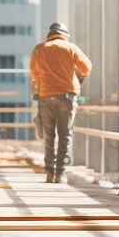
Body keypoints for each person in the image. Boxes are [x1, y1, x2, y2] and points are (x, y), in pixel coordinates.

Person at [29, 22, 92, 184]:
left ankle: (49, 173)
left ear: (49, 35)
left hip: (45, 96)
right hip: (67, 96)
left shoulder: (40, 48)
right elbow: (87, 68)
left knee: (49, 136)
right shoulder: (71, 47)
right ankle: (60, 174)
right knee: (65, 135)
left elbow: (34, 73)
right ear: (65, 35)